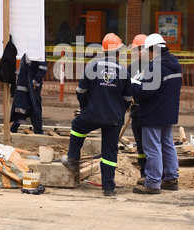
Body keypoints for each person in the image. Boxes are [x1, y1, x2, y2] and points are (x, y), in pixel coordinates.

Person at [62, 33, 132, 196]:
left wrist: (84, 107)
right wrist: (120, 111)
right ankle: (108, 187)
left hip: (92, 113)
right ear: (118, 52)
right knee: (109, 152)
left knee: (77, 126)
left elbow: (81, 91)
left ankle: (73, 159)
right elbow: (128, 98)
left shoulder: (92, 67)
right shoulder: (123, 71)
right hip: (114, 117)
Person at [131, 33, 182, 194]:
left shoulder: (155, 66)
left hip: (153, 114)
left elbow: (144, 92)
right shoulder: (175, 63)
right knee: (167, 145)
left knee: (152, 148)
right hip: (168, 113)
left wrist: (134, 84)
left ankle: (152, 183)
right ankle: (171, 178)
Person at [10, 54, 47, 135]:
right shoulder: (27, 52)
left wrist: (34, 83)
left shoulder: (38, 51)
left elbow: (43, 69)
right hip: (24, 87)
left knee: (34, 108)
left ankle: (38, 132)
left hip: (32, 88)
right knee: (22, 107)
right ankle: (13, 129)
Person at [128, 34, 148, 184]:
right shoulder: (132, 67)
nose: (136, 52)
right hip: (135, 112)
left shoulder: (153, 66)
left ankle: (155, 174)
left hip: (149, 112)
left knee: (152, 146)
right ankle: (144, 173)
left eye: (138, 49)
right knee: (140, 146)